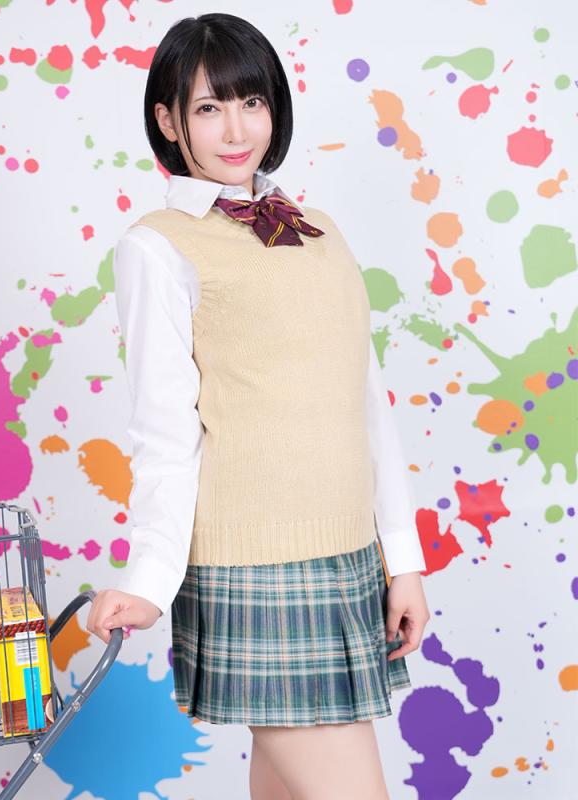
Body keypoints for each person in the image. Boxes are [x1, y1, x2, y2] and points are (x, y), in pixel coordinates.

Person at [87, 12, 431, 799]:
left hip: (346, 557)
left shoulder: (318, 230)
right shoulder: (157, 245)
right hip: (257, 563)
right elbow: (164, 432)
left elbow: (366, 404)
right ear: (168, 120)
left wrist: (402, 561)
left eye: (251, 102)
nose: (236, 129)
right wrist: (150, 579)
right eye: (208, 108)